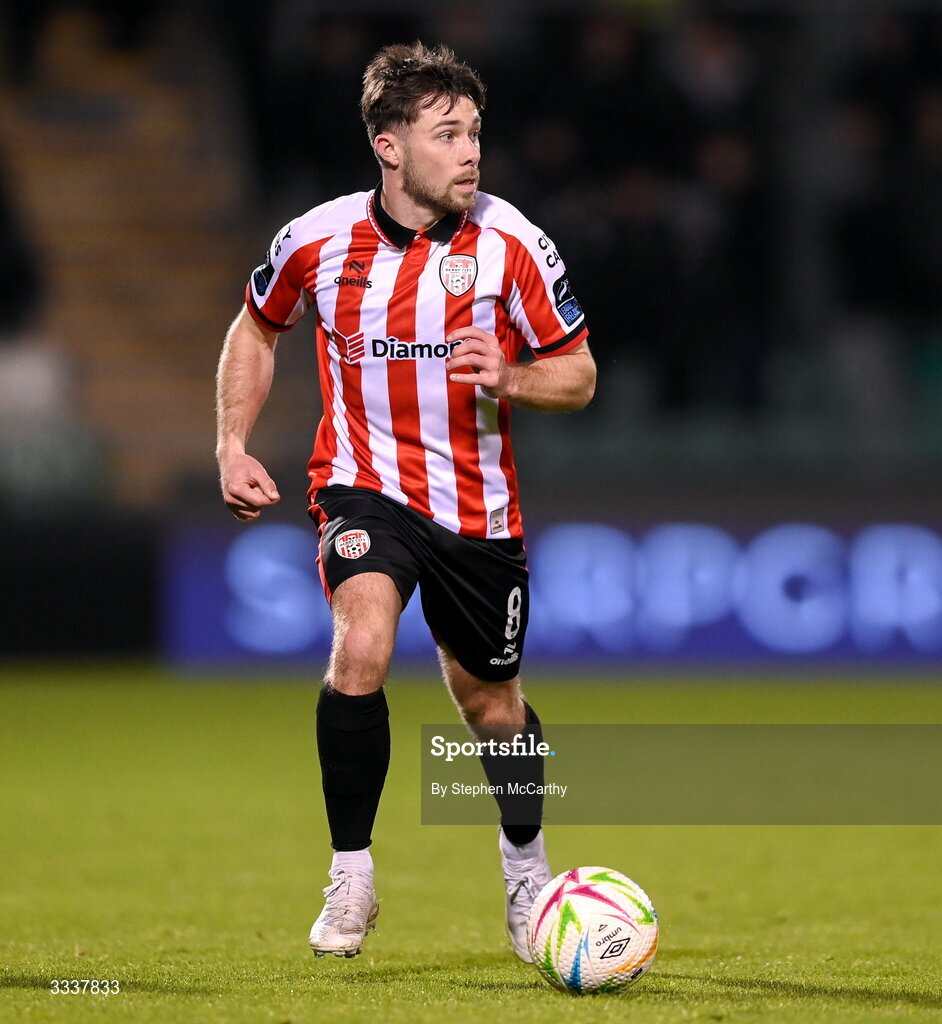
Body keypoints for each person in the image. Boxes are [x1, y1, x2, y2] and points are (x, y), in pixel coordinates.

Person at [215, 42, 595, 962]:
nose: (470, 152)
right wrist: (230, 442)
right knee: (363, 648)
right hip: (361, 487)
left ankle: (525, 870)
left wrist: (512, 375)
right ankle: (351, 875)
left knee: (491, 705)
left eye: (474, 133)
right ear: (388, 146)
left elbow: (579, 375)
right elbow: (257, 330)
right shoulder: (316, 238)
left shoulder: (513, 242)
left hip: (478, 511)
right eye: (447, 134)